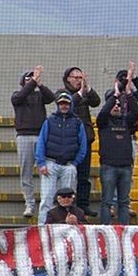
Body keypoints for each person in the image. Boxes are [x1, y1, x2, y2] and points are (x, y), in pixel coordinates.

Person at [97, 62, 138, 225]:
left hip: (125, 167)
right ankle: (106, 229)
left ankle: (124, 230)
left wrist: (128, 93)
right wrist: (115, 96)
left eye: (118, 105)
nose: (116, 107)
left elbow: (135, 112)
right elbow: (103, 111)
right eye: (113, 105)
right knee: (107, 201)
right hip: (108, 166)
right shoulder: (103, 122)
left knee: (123, 202)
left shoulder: (126, 121)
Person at [35, 93, 87, 225]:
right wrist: (41, 163)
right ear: (58, 105)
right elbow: (41, 142)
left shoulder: (77, 122)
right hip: (50, 164)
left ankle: (67, 228)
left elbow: (83, 145)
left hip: (68, 166)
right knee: (46, 199)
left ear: (71, 105)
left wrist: (75, 164)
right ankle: (42, 229)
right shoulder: (49, 121)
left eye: (67, 104)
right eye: (61, 104)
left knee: (68, 200)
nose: (64, 106)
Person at [10, 66, 54, 218]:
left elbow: (51, 98)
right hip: (24, 136)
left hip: (41, 136)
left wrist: (40, 85)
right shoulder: (17, 95)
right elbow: (19, 97)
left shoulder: (39, 95)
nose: (32, 81)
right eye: (28, 79)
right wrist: (32, 82)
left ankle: (47, 203)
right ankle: (29, 204)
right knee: (26, 171)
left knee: (45, 170)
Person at [104, 64, 138, 218]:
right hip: (114, 137)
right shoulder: (111, 95)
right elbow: (109, 101)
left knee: (129, 172)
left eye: (126, 79)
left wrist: (133, 78)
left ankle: (125, 203)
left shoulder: (131, 97)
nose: (125, 82)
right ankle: (113, 204)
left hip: (130, 137)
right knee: (113, 171)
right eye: (122, 79)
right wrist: (122, 84)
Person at [60, 67, 101, 217]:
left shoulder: (85, 93)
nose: (78, 80)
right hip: (69, 142)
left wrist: (87, 87)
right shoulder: (62, 93)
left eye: (80, 77)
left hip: (85, 141)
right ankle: (68, 206)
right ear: (68, 79)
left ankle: (83, 205)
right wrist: (80, 93)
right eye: (75, 77)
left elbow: (96, 101)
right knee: (69, 175)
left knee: (84, 176)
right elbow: (70, 103)